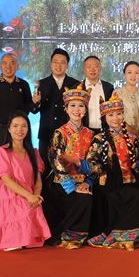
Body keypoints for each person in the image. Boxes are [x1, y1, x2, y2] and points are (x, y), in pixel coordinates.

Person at [87, 92, 139, 250]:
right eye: (111, 115)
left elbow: (137, 166)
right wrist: (106, 170)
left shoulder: (132, 138)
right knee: (113, 195)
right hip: (109, 182)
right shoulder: (99, 139)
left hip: (130, 180)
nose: (115, 118)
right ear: (104, 118)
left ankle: (133, 234)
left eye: (118, 114)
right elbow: (91, 161)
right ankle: (113, 233)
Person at [0, 111, 50, 251]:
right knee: (21, 208)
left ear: (28, 129)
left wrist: (36, 195)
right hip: (6, 192)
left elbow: (38, 180)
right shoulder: (1, 151)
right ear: (9, 129)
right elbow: (6, 180)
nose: (20, 130)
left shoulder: (34, 152)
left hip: (27, 192)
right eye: (15, 126)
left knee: (32, 207)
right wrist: (29, 196)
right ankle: (11, 240)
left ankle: (23, 238)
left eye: (24, 126)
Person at [43, 85, 95, 248]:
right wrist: (71, 186)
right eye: (72, 105)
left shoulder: (91, 134)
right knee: (76, 197)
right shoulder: (60, 132)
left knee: (88, 196)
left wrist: (88, 182)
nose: (77, 110)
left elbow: (94, 163)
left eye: (81, 106)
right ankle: (65, 235)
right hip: (62, 181)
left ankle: (77, 236)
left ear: (85, 110)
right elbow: (55, 160)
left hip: (83, 180)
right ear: (66, 109)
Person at [0, 53, 33, 182]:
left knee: (18, 164)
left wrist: (35, 102)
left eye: (12, 63)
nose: (8, 66)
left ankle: (18, 191)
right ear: (0, 66)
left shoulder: (23, 85)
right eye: (5, 63)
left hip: (18, 132)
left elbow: (27, 109)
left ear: (17, 66)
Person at [34, 48, 80, 166]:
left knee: (67, 167)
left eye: (62, 62)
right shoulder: (41, 83)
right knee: (46, 167)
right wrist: (36, 102)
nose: (58, 65)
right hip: (46, 134)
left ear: (67, 65)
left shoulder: (75, 84)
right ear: (51, 64)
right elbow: (34, 110)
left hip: (68, 134)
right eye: (55, 62)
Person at [113, 61, 139, 144]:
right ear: (124, 74)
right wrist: (132, 132)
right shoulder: (118, 93)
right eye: (129, 72)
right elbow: (116, 115)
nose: (133, 76)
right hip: (123, 136)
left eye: (136, 73)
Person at [81, 55, 114, 132]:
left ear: (100, 68)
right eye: (89, 67)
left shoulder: (109, 87)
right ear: (84, 69)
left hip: (105, 131)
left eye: (95, 66)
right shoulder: (77, 88)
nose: (92, 70)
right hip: (84, 131)